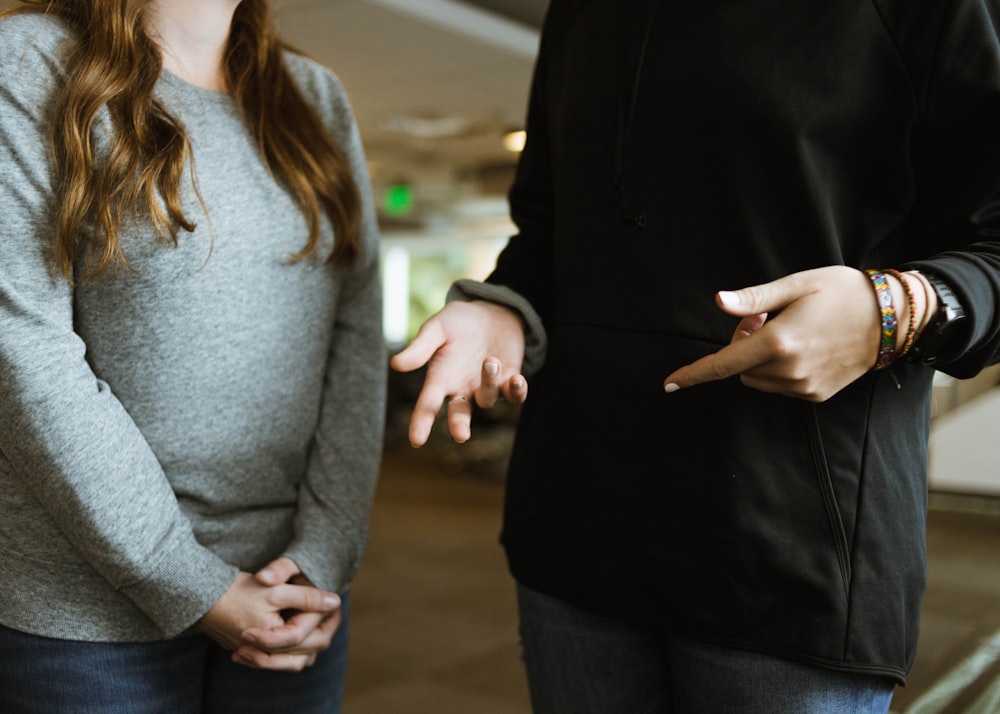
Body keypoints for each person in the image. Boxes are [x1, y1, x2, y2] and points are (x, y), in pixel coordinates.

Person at [391, 0, 1000, 712]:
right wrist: (501, 304)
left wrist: (894, 310)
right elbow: (547, 231)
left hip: (790, 542)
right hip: (578, 523)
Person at [0, 0, 384, 711]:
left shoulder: (314, 94)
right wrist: (188, 580)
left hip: (289, 589)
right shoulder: (30, 59)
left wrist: (323, 555)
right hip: (85, 615)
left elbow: (356, 331)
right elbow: (22, 342)